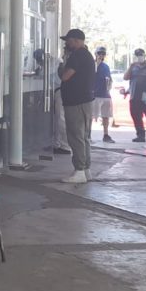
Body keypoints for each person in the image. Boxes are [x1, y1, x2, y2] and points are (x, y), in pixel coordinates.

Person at [58, 28, 96, 183]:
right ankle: (85, 169)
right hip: (85, 101)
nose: (66, 44)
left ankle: (79, 170)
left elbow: (65, 76)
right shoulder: (87, 55)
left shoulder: (77, 55)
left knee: (75, 136)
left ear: (76, 40)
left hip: (75, 102)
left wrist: (63, 63)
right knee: (84, 137)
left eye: (68, 41)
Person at [52, 47, 72, 156]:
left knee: (61, 118)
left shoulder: (65, 64)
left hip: (62, 90)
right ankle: (58, 143)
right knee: (58, 119)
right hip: (60, 91)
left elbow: (62, 76)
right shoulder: (63, 63)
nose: (64, 54)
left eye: (66, 52)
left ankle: (65, 145)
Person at [93, 46, 115, 143]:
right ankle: (87, 135)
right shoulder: (93, 65)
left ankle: (106, 134)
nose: (101, 55)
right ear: (96, 54)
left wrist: (109, 85)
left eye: (103, 54)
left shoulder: (106, 66)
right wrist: (96, 64)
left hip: (105, 94)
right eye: (99, 53)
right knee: (91, 116)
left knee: (106, 115)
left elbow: (109, 78)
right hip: (95, 95)